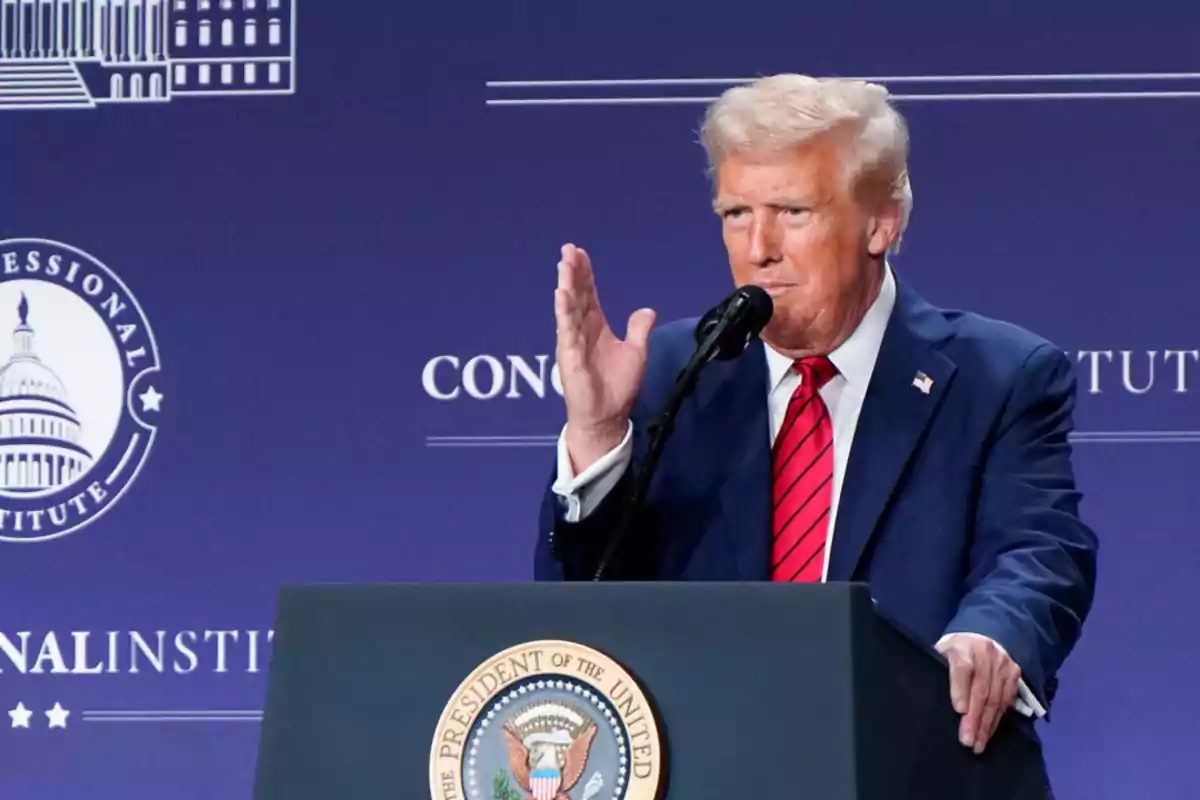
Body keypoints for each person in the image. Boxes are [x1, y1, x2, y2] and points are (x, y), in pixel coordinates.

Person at [533, 73, 1097, 772]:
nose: (759, 247)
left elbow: (1041, 552)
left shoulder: (1000, 375)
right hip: (712, 774)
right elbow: (575, 620)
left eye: (792, 211)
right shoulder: (672, 371)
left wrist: (993, 638)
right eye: (736, 213)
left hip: (921, 773)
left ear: (881, 222)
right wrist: (595, 435)